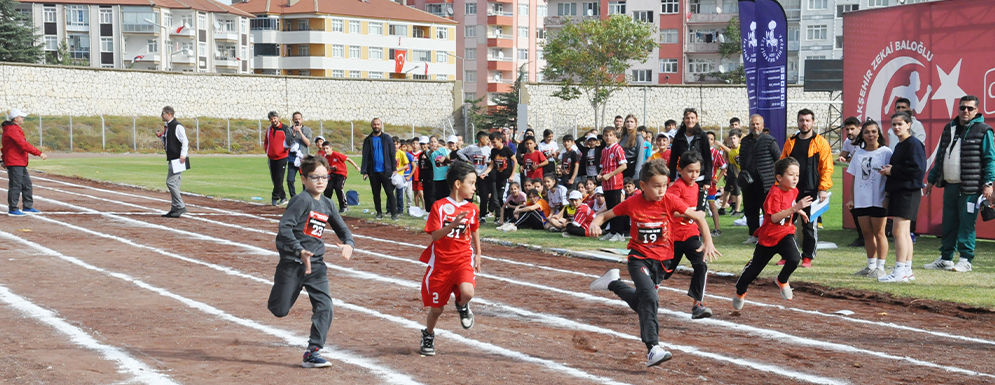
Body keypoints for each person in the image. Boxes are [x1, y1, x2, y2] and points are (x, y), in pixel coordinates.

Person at [588, 159, 719, 367]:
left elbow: (699, 218)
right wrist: (595, 223)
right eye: (657, 186)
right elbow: (604, 216)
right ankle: (653, 348)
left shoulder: (670, 200)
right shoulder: (632, 202)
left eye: (665, 185)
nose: (662, 190)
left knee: (643, 303)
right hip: (639, 258)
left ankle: (613, 282)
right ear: (643, 186)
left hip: (662, 261)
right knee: (650, 298)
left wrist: (708, 242)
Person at [268, 155, 354, 368]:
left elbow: (343, 230)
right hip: (292, 263)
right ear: (304, 179)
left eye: (324, 177)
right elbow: (285, 228)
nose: (321, 181)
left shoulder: (327, 203)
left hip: (316, 265)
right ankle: (281, 295)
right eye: (315, 177)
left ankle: (313, 351)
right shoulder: (301, 200)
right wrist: (299, 251)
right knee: (279, 309)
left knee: (325, 306)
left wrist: (349, 244)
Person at [923, 95, 995, 273]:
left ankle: (965, 260)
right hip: (950, 186)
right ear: (958, 109)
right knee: (948, 223)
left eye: (970, 108)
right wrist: (931, 180)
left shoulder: (984, 130)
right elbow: (940, 156)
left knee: (966, 224)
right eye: (963, 108)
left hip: (971, 187)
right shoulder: (949, 128)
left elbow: (990, 159)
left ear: (977, 110)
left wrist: (988, 183)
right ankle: (946, 258)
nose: (966, 111)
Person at [732, 157, 813, 310]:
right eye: (791, 174)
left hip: (785, 233)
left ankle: (782, 280)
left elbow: (790, 204)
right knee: (754, 270)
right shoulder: (774, 193)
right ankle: (740, 291)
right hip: (769, 237)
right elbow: (775, 218)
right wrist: (795, 209)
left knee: (795, 258)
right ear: (779, 177)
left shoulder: (793, 190)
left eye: (797, 175)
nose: (795, 178)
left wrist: (799, 210)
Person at [419, 161, 481, 356]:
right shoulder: (440, 206)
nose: (474, 187)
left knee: (468, 292)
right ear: (457, 184)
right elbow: (434, 235)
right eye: (471, 183)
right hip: (441, 264)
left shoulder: (472, 208)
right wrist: (452, 224)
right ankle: (428, 334)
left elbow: (474, 229)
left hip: (462, 258)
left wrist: (478, 253)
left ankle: (462, 305)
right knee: (436, 310)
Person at [665, 151, 717, 319]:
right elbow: (668, 212)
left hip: (691, 236)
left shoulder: (696, 187)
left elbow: (696, 215)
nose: (694, 175)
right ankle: (644, 293)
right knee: (664, 272)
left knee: (701, 264)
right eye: (690, 171)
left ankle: (697, 304)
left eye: (697, 171)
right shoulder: (676, 188)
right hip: (673, 238)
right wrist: (688, 213)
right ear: (680, 170)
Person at [779, 109, 834, 268]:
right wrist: (780, 186)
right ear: (797, 122)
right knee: (786, 223)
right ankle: (788, 255)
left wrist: (822, 188)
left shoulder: (821, 142)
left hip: (810, 190)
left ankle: (807, 257)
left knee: (809, 224)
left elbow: (827, 167)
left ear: (813, 122)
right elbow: (783, 164)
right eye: (802, 120)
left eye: (808, 120)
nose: (804, 123)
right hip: (791, 191)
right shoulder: (791, 141)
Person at [879, 112, 927, 282]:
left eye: (900, 124)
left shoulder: (913, 144)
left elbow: (917, 169)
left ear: (908, 125)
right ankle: (906, 270)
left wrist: (893, 171)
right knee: (905, 233)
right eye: (894, 124)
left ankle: (899, 271)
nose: (897, 127)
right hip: (901, 191)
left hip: (909, 192)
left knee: (898, 232)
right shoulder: (900, 145)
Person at [846, 120, 892, 279]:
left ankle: (881, 267)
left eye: (873, 131)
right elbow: (854, 178)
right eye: (867, 132)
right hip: (861, 199)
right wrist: (852, 198)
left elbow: (891, 177)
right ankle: (870, 265)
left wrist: (887, 196)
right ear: (862, 135)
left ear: (878, 133)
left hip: (878, 199)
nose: (870, 135)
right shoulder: (858, 154)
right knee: (866, 233)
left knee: (880, 233)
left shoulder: (886, 152)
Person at [739, 115, 781, 244]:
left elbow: (778, 160)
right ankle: (753, 234)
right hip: (749, 183)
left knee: (767, 211)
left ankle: (767, 235)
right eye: (752, 124)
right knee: (750, 210)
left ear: (762, 126)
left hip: (765, 183)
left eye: (757, 124)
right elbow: (742, 159)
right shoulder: (745, 141)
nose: (755, 126)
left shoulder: (769, 140)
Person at [2, 109, 47, 216]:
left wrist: (3, 159)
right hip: (15, 161)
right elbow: (23, 144)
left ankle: (27, 206)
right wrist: (38, 153)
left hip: (19, 161)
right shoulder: (12, 130)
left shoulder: (14, 129)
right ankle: (13, 208)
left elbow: (6, 147)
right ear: (15, 118)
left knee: (27, 184)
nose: (23, 118)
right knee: (15, 185)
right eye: (21, 117)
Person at [668, 108, 712, 211]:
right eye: (687, 118)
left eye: (692, 118)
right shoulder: (678, 136)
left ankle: (699, 227)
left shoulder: (702, 136)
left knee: (699, 209)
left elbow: (707, 159)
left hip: (700, 178)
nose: (690, 120)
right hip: (683, 177)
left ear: (696, 119)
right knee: (684, 207)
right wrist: (672, 178)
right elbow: (673, 158)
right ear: (684, 120)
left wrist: (707, 180)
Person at [360, 118, 398, 220]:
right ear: (371, 125)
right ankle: (379, 213)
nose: (376, 126)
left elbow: (392, 154)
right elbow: (365, 156)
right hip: (373, 172)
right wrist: (364, 171)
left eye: (378, 124)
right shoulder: (368, 140)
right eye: (374, 124)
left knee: (390, 193)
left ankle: (394, 214)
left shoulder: (387, 138)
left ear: (381, 125)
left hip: (386, 171)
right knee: (376, 194)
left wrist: (394, 168)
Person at [837, 117, 867, 248]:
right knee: (854, 207)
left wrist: (853, 158)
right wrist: (842, 158)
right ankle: (862, 237)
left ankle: (870, 237)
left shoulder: (866, 140)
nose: (849, 132)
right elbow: (844, 154)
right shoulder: (848, 141)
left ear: (859, 128)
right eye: (847, 129)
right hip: (857, 178)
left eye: (852, 129)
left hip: (869, 179)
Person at [155, 106, 189, 218]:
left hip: (177, 158)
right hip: (172, 157)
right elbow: (168, 140)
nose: (161, 115)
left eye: (163, 113)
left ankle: (180, 206)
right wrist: (160, 136)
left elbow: (184, 141)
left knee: (170, 182)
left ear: (169, 113)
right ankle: (175, 208)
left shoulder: (177, 126)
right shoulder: (168, 126)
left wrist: (183, 155)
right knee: (176, 184)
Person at [599, 127, 628, 242]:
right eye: (606, 135)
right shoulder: (604, 150)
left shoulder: (617, 148)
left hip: (615, 182)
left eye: (611, 135)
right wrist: (600, 174)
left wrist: (610, 175)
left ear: (615, 136)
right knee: (610, 208)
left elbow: (623, 166)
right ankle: (612, 231)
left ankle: (619, 233)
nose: (608, 137)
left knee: (617, 208)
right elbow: (602, 167)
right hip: (606, 184)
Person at [457, 131, 492, 220]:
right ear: (481, 139)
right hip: (473, 175)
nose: (488, 141)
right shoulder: (471, 148)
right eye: (487, 139)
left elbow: (491, 159)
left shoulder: (488, 149)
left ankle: (483, 216)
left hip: (483, 175)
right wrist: (468, 160)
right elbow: (459, 152)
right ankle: (468, 214)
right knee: (469, 196)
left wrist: (488, 162)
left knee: (484, 196)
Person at [320, 141, 359, 213]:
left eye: (327, 148)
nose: (325, 150)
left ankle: (344, 206)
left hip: (341, 173)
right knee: (328, 188)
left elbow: (348, 159)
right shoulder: (325, 157)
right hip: (332, 174)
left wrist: (356, 166)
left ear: (331, 148)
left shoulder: (336, 154)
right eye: (324, 149)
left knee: (339, 187)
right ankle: (326, 206)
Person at [264, 111, 292, 206]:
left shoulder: (285, 129)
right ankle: (283, 197)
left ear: (278, 118)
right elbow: (266, 141)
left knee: (279, 178)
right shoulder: (269, 129)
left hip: (282, 157)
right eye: (271, 119)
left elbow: (290, 142)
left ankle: (275, 197)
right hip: (271, 157)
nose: (273, 120)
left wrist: (285, 151)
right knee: (275, 179)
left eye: (274, 118)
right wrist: (267, 151)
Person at [705, 131, 728, 236]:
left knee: (712, 206)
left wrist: (717, 179)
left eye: (711, 139)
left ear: (714, 141)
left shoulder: (716, 153)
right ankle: (698, 230)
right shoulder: (698, 152)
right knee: (697, 207)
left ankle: (717, 229)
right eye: (707, 138)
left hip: (710, 185)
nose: (708, 141)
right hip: (699, 184)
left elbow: (723, 167)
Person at [286, 112, 313, 199]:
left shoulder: (307, 130)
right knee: (290, 179)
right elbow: (288, 143)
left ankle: (305, 197)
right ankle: (293, 197)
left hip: (304, 159)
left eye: (299, 118)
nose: (297, 120)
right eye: (295, 119)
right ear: (293, 120)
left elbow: (308, 143)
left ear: (302, 119)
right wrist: (294, 133)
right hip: (292, 158)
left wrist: (300, 132)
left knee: (305, 179)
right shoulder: (289, 130)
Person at [718, 128, 742, 216]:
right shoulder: (731, 152)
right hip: (737, 173)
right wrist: (736, 175)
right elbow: (734, 165)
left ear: (739, 139)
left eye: (734, 138)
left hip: (746, 172)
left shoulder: (742, 148)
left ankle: (738, 210)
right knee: (728, 189)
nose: (732, 140)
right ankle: (723, 208)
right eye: (731, 138)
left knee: (738, 192)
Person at [620, 115, 647, 179]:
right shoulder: (623, 136)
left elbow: (640, 156)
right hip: (623, 165)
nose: (629, 123)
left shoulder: (638, 137)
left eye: (632, 122)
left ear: (635, 124)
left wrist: (637, 172)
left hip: (633, 166)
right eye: (627, 122)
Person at [418, 136, 438, 211]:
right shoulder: (420, 155)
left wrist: (426, 159)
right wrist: (420, 179)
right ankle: (427, 211)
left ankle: (433, 211)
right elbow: (420, 167)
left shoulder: (431, 154)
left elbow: (432, 166)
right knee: (425, 195)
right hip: (424, 178)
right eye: (421, 144)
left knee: (431, 195)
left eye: (425, 144)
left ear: (428, 144)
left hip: (431, 176)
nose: (423, 146)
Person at [395, 138, 413, 214]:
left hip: (408, 178)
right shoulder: (397, 154)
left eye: (404, 146)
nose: (403, 148)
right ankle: (397, 208)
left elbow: (413, 166)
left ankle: (409, 209)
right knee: (399, 194)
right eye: (401, 147)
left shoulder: (408, 155)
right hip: (400, 177)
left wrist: (410, 176)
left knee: (409, 195)